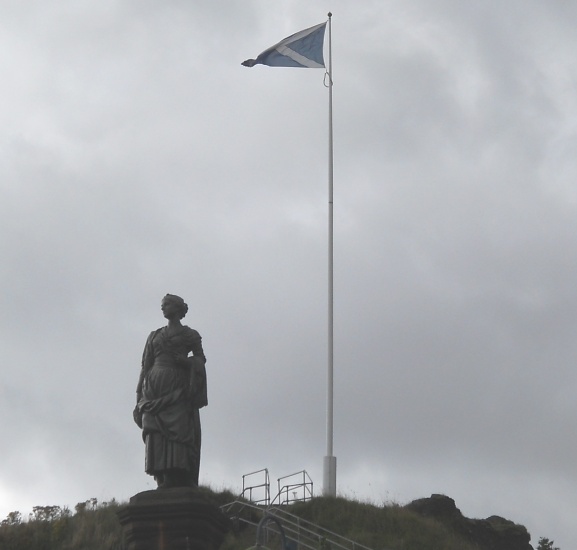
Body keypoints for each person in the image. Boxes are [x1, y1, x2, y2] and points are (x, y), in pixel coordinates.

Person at [133, 294, 207, 488]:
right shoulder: (154, 335)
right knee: (153, 429)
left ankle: (175, 476)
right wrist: (138, 397)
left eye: (166, 304)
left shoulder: (190, 335)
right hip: (152, 389)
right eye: (162, 305)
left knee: (179, 431)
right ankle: (160, 477)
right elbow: (145, 365)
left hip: (177, 388)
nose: (163, 308)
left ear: (177, 308)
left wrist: (187, 362)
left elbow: (201, 359)